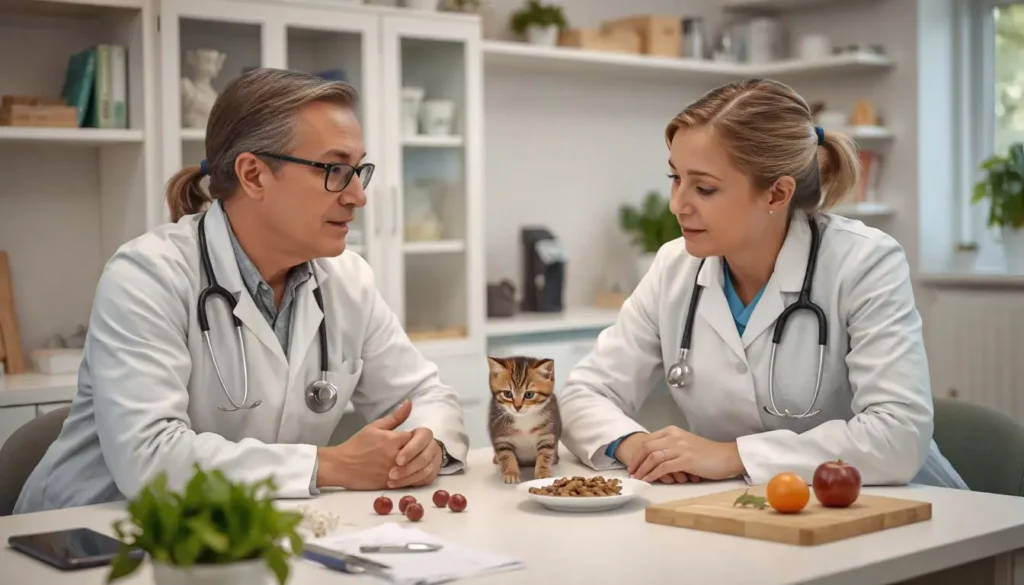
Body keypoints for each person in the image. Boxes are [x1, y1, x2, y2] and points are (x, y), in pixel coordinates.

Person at [14, 68, 469, 514]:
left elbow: (425, 395)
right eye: (334, 169)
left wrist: (424, 446)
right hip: (90, 537)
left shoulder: (347, 280)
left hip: (245, 531)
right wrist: (328, 465)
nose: (357, 196)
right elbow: (149, 459)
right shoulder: (148, 276)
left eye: (357, 171)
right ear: (253, 175)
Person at [557, 79, 968, 490]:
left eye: (704, 187)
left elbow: (897, 438)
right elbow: (584, 393)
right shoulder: (674, 267)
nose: (677, 204)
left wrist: (732, 455)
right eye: (675, 178)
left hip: (892, 508)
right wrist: (636, 446)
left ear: (777, 193)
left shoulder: (863, 262)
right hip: (748, 510)